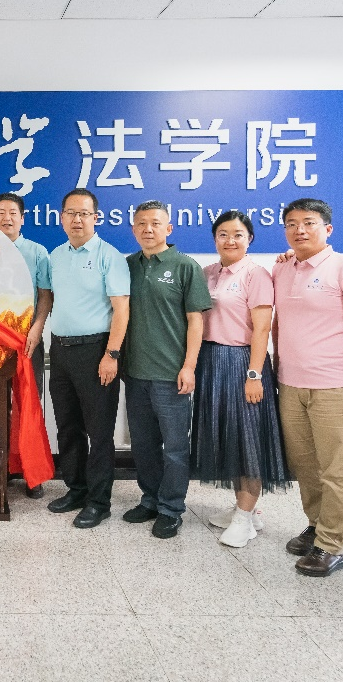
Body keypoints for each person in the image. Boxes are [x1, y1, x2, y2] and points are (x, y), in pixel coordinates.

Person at [271, 198, 343, 577]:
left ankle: (332, 544)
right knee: (305, 464)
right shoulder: (282, 269)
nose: (299, 230)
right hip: (290, 384)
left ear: (327, 229)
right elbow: (278, 324)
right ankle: (316, 525)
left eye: (309, 222)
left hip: (335, 385)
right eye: (291, 223)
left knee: (337, 468)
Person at [192, 210, 288, 548]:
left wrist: (254, 374)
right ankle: (244, 508)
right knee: (228, 437)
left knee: (249, 439)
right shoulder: (207, 273)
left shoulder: (255, 274)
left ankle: (245, 518)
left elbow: (262, 329)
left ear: (250, 239)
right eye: (223, 234)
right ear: (214, 238)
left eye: (238, 234)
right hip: (211, 361)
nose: (230, 240)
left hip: (242, 362)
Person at [120, 200, 213, 539]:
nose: (148, 229)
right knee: (143, 445)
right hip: (135, 373)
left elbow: (196, 321)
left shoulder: (185, 266)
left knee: (174, 448)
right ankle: (150, 499)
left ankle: (171, 508)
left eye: (155, 223)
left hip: (172, 375)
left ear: (168, 228)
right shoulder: (127, 265)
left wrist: (189, 366)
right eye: (141, 223)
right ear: (133, 229)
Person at [45, 188, 130, 529]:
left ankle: (99, 501)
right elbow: (51, 300)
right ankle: (76, 489)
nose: (77, 220)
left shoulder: (110, 256)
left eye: (84, 213)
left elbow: (122, 310)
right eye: (71, 213)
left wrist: (112, 354)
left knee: (99, 431)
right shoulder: (56, 255)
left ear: (96, 217)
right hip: (60, 351)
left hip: (96, 351)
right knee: (68, 426)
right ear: (61, 218)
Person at [0, 191, 53, 499]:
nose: (7, 218)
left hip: (27, 341)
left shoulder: (37, 252)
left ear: (23, 218)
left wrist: (37, 329)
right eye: (1, 213)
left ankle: (31, 472)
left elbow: (45, 296)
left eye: (13, 213)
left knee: (28, 404)